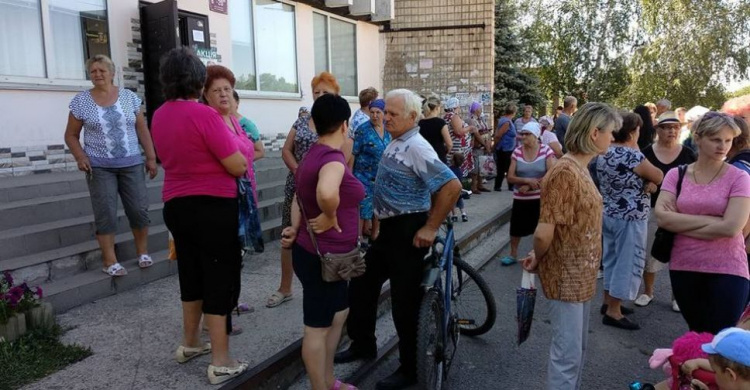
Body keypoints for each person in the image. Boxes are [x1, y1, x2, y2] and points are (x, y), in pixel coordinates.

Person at [336, 89, 461, 390]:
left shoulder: (417, 147)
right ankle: (364, 344)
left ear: (413, 117)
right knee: (362, 285)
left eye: (392, 113)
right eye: (385, 111)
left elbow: (452, 186)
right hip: (389, 231)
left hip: (409, 230)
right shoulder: (396, 141)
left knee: (405, 305)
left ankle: (410, 370)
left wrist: (430, 227)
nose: (386, 117)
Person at [151, 47, 249, 384]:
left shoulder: (159, 114)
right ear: (198, 80)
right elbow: (236, 164)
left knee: (191, 275)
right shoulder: (205, 115)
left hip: (176, 205)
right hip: (212, 205)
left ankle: (190, 343)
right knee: (219, 278)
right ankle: (221, 360)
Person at [522, 102, 621, 390]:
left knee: (574, 351)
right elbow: (544, 232)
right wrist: (538, 256)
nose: (612, 138)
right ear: (594, 133)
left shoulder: (578, 167)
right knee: (567, 355)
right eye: (611, 132)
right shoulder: (566, 171)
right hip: (566, 274)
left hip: (578, 274)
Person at [280, 94, 363, 390]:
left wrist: (294, 226)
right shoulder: (331, 159)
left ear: (314, 123)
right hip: (323, 256)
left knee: (338, 314)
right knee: (317, 328)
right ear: (344, 124)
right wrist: (329, 214)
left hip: (329, 255)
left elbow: (299, 199)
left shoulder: (312, 154)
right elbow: (326, 193)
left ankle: (328, 380)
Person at [655, 111, 750, 334]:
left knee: (721, 339)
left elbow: (732, 227)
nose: (723, 146)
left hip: (728, 269)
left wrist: (680, 221)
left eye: (728, 140)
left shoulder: (739, 178)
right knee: (697, 334)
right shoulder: (676, 175)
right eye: (716, 139)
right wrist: (713, 221)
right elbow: (662, 217)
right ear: (698, 138)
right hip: (684, 265)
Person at [64, 54, 157, 277]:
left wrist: (151, 157)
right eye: (93, 71)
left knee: (138, 210)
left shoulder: (130, 98)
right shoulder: (81, 101)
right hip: (99, 166)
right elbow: (71, 135)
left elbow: (142, 129)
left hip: (132, 163)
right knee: (105, 212)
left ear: (112, 73)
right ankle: (109, 261)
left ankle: (142, 252)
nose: (97, 74)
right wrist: (80, 157)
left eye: (102, 70)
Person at [269, 72, 349, 309]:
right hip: (297, 185)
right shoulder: (302, 119)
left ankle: (327, 284)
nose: (320, 96)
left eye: (326, 92)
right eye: (316, 92)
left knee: (322, 235)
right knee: (289, 235)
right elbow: (286, 150)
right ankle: (285, 288)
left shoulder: (339, 124)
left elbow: (343, 161)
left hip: (325, 190)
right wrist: (298, 171)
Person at [594, 112, 664, 330]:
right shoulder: (633, 156)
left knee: (611, 260)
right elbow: (659, 175)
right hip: (631, 217)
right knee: (627, 262)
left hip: (609, 213)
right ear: (634, 132)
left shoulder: (603, 153)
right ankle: (614, 311)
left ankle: (607, 303)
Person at [636, 111, 696, 311]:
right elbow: (636, 177)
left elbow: (697, 179)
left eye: (676, 127)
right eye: (667, 127)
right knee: (652, 252)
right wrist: (647, 183)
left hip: (682, 211)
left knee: (680, 253)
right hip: (653, 210)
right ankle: (648, 292)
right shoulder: (646, 152)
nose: (672, 131)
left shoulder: (688, 154)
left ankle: (676, 296)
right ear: (658, 130)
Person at [500, 122, 556, 266]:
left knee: (540, 227)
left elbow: (551, 174)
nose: (523, 136)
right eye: (522, 133)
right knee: (516, 226)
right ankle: (513, 254)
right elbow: (510, 177)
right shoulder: (517, 152)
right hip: (520, 197)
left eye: (527, 134)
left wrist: (531, 186)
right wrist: (526, 180)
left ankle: (539, 254)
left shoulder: (546, 151)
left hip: (540, 197)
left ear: (536, 136)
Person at [203, 66, 261, 194]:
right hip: (224, 192)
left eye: (227, 89)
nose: (223, 94)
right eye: (217, 90)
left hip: (246, 189)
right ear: (207, 96)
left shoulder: (234, 120)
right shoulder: (211, 122)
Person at [352, 99, 391, 242]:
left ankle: (375, 234)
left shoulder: (388, 129)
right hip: (363, 176)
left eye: (378, 112)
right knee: (363, 207)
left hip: (381, 176)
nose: (374, 115)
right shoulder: (363, 130)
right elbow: (354, 153)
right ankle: (358, 238)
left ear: (383, 113)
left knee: (378, 207)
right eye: (372, 112)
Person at [444, 97, 478, 191]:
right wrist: (470, 128)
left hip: (453, 147)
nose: (459, 108)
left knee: (453, 168)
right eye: (458, 106)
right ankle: (457, 191)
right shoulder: (453, 116)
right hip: (457, 148)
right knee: (457, 169)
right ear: (455, 107)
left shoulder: (447, 116)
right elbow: (458, 131)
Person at [419, 96, 452, 164]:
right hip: (438, 156)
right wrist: (445, 151)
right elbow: (449, 144)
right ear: (437, 108)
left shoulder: (420, 123)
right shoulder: (440, 122)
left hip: (424, 157)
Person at [467, 101, 492, 193]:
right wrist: (485, 144)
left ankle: (480, 185)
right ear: (475, 109)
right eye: (480, 108)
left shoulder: (482, 119)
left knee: (483, 165)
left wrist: (488, 145)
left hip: (484, 145)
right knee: (476, 167)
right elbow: (476, 134)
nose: (481, 109)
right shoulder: (471, 120)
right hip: (476, 146)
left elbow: (488, 131)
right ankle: (474, 187)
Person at [493, 103, 518, 191]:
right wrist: (494, 146)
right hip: (505, 149)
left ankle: (500, 185)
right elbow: (498, 135)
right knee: (506, 168)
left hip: (506, 148)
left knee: (503, 168)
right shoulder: (506, 122)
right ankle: (504, 186)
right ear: (514, 112)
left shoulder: (504, 120)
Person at [449, 153, 469, 222]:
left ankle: (455, 215)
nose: (450, 159)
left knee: (452, 202)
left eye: (451, 158)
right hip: (459, 188)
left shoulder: (450, 169)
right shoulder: (460, 170)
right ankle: (464, 214)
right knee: (460, 201)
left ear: (454, 161)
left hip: (452, 188)